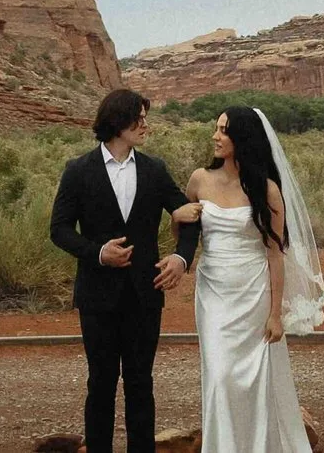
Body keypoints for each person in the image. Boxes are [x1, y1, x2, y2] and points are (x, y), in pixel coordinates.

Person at [171, 107, 324, 453]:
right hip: (213, 291)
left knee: (254, 380)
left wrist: (275, 314)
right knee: (220, 377)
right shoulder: (199, 179)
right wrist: (175, 218)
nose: (215, 136)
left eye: (224, 130)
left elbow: (275, 253)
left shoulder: (267, 190)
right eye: (216, 128)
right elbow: (184, 234)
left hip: (254, 291)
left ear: (242, 138)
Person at [51, 88, 199, 453]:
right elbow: (59, 229)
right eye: (140, 117)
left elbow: (189, 215)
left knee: (140, 382)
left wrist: (181, 258)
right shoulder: (78, 170)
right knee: (100, 382)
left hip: (145, 294)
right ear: (118, 122)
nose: (146, 125)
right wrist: (99, 253)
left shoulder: (154, 169)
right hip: (96, 297)